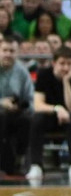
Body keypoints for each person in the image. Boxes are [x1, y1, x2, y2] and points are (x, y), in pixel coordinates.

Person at [30, 46, 71, 185]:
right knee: (37, 119)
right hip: (50, 114)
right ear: (54, 63)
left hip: (70, 117)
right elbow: (38, 105)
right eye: (62, 63)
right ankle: (36, 165)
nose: (65, 68)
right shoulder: (44, 75)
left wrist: (66, 82)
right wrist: (57, 109)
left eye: (69, 64)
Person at [0, 40, 38, 176]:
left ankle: (19, 159)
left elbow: (30, 98)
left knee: (26, 120)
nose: (8, 54)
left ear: (17, 53)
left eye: (12, 51)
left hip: (15, 114)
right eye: (5, 50)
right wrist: (2, 103)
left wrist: (21, 107)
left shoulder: (22, 71)